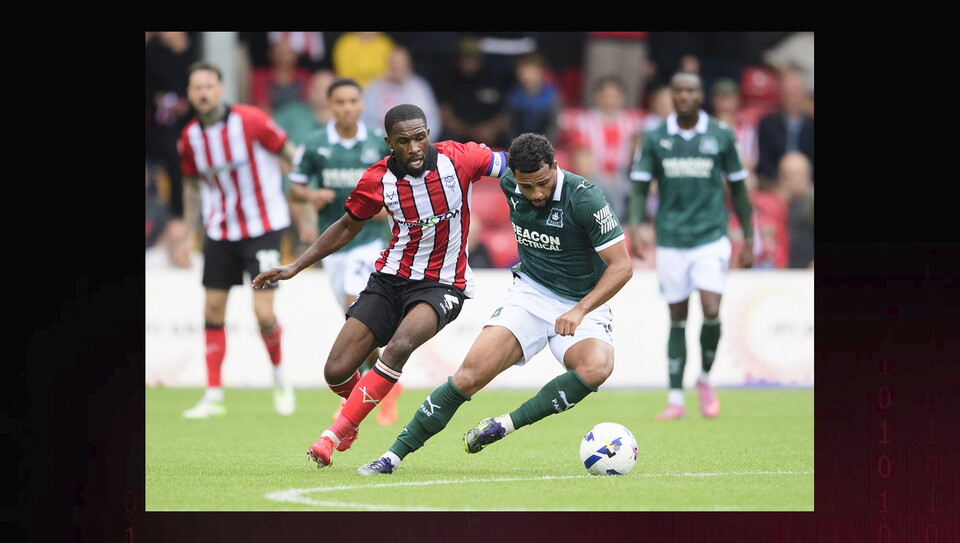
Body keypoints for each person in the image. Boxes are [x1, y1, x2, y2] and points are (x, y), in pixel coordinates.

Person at [355, 132, 633, 475]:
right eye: (526, 186)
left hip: (581, 302)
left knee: (597, 368)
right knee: (468, 377)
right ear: (512, 176)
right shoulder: (507, 183)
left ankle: (504, 425)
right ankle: (392, 456)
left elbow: (622, 267)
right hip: (530, 295)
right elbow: (455, 167)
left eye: (543, 184)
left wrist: (579, 310)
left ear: (556, 167)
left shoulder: (584, 198)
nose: (536, 194)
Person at [251, 104, 508, 468]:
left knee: (400, 344)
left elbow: (514, 163)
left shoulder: (459, 159)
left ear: (428, 134)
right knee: (336, 370)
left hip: (443, 284)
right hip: (391, 280)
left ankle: (334, 433)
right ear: (389, 143)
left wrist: (557, 185)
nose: (415, 147)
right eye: (404, 141)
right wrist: (296, 265)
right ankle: (355, 409)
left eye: (420, 137)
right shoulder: (377, 179)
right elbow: (345, 226)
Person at [627, 71, 754, 420]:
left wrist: (748, 234)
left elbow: (740, 189)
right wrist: (636, 226)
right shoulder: (654, 136)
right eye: (679, 90)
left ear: (701, 96)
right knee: (677, 316)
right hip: (670, 238)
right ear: (672, 95)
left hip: (711, 236)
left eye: (691, 91)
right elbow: (639, 187)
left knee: (711, 308)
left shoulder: (721, 135)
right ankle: (675, 399)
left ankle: (705, 378)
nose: (684, 96)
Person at [175, 61, 299, 419]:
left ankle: (280, 377)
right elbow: (191, 186)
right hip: (219, 231)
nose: (203, 93)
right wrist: (188, 233)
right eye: (196, 87)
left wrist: (301, 195)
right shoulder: (189, 138)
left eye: (209, 86)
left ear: (220, 89)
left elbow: (289, 153)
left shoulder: (251, 120)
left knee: (263, 313)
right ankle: (213, 394)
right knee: (212, 309)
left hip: (263, 227)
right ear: (189, 94)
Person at [285, 78, 400, 425]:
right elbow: (295, 188)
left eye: (353, 101)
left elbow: (397, 188)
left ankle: (360, 397)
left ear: (361, 104)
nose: (347, 107)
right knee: (357, 322)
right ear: (330, 106)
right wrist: (310, 200)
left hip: (369, 242)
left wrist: (388, 209)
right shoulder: (315, 145)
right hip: (333, 246)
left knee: (355, 307)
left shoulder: (378, 145)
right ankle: (385, 388)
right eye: (340, 102)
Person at [569, 75, 645, 222]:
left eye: (614, 96)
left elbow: (641, 156)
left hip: (625, 174)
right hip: (595, 176)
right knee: (602, 187)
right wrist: (606, 176)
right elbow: (582, 160)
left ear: (622, 98)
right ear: (596, 97)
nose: (610, 100)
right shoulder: (584, 122)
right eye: (605, 96)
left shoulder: (633, 122)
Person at [436, 35, 510, 149]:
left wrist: (489, 129)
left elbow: (504, 114)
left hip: (489, 133)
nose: (469, 62)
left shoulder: (492, 80)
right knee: (445, 142)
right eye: (465, 57)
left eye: (472, 57)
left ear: (480, 59)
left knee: (509, 140)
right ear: (458, 59)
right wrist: (469, 132)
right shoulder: (448, 79)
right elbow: (444, 114)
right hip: (459, 134)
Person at [360, 45, 443, 138]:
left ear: (409, 64)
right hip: (380, 145)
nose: (397, 67)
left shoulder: (420, 87)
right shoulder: (375, 87)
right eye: (394, 63)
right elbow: (364, 120)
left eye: (401, 63)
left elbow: (433, 123)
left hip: (415, 146)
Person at [755, 69, 814, 185]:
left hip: (806, 181)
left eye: (795, 93)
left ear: (802, 94)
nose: (791, 98)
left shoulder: (811, 125)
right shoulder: (768, 123)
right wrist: (780, 179)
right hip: (775, 180)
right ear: (781, 94)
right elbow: (764, 160)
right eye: (788, 93)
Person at [504, 52, 562, 145]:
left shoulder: (551, 96)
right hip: (518, 147)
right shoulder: (514, 95)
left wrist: (544, 146)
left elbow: (554, 126)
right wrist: (517, 145)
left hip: (544, 146)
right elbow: (510, 125)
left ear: (539, 71)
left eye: (529, 70)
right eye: (521, 70)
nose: (524, 74)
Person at [249, 36, 313, 115]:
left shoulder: (304, 76)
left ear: (296, 56)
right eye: (280, 53)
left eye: (288, 53)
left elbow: (309, 103)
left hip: (299, 120)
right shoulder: (260, 76)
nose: (284, 57)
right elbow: (260, 105)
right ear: (270, 54)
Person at [331, 32, 396, 89]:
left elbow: (388, 73)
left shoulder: (386, 44)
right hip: (352, 90)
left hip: (380, 91)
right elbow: (344, 75)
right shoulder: (345, 44)